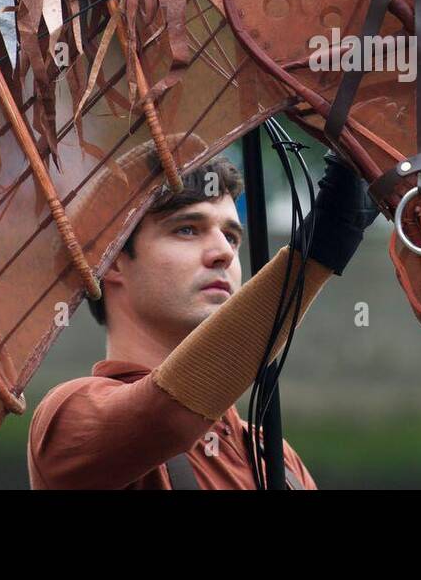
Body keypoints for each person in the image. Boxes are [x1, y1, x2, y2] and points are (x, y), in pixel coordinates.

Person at [27, 140, 379, 489]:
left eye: (231, 236)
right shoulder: (68, 419)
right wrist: (319, 251)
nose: (223, 253)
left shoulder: (277, 460)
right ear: (111, 259)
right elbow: (169, 418)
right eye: (187, 229)